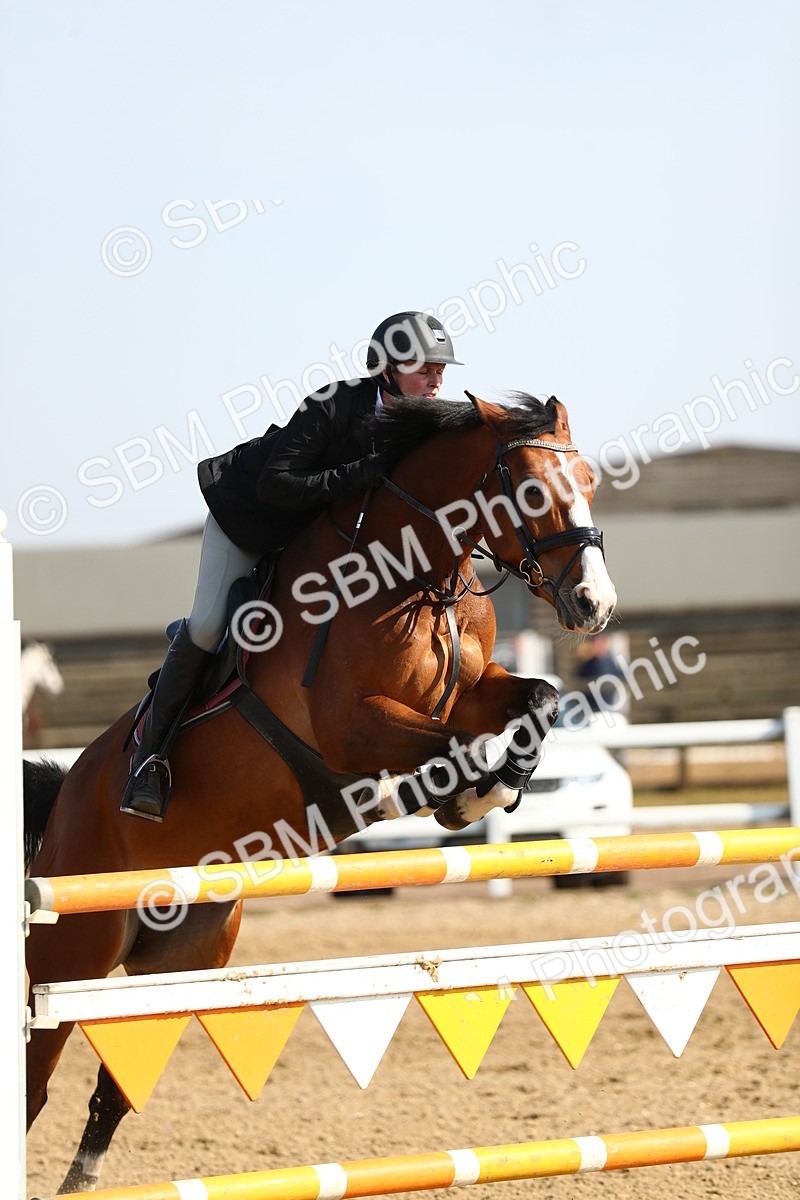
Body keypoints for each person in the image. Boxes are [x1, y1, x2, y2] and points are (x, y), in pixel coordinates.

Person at [121, 312, 463, 821]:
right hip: (249, 519)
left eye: (441, 367)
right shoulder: (334, 405)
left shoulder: (429, 422)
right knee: (211, 624)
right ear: (387, 368)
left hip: (315, 539)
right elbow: (277, 484)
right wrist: (362, 474)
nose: (436, 378)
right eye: (424, 367)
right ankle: (150, 759)